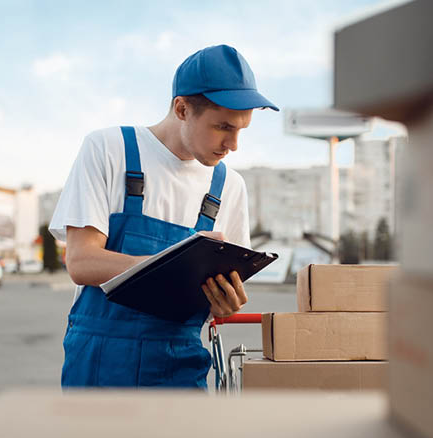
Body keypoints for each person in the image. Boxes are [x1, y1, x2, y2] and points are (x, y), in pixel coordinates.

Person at [49, 44, 279, 388]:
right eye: (222, 127)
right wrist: (177, 264)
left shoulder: (230, 186)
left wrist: (224, 304)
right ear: (182, 109)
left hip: (179, 364)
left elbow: (223, 295)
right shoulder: (109, 149)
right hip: (100, 360)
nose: (233, 144)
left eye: (240, 130)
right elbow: (81, 262)